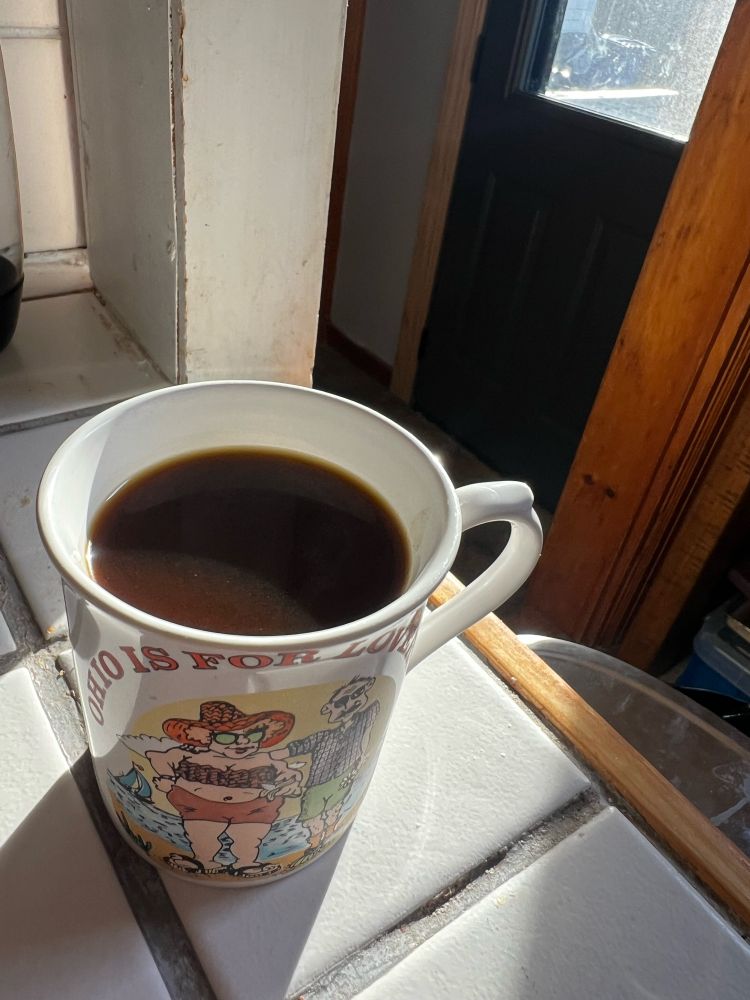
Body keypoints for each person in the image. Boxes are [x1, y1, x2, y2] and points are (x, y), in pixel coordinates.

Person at [147, 700, 300, 876]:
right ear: (205, 737)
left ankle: (246, 863)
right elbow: (157, 757)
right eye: (226, 737)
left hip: (252, 809)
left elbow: (289, 775)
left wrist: (289, 786)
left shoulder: (267, 760)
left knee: (248, 838)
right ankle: (204, 861)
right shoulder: (191, 757)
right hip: (202, 807)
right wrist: (167, 779)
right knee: (202, 836)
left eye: (253, 735)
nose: (242, 743)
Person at [277, 677, 379, 862]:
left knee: (333, 812)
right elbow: (299, 746)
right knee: (312, 820)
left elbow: (369, 717)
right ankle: (315, 844)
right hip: (316, 786)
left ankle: (326, 838)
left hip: (343, 779)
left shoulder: (362, 721)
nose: (327, 709)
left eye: (356, 696)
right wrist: (271, 756)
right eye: (338, 703)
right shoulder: (323, 736)